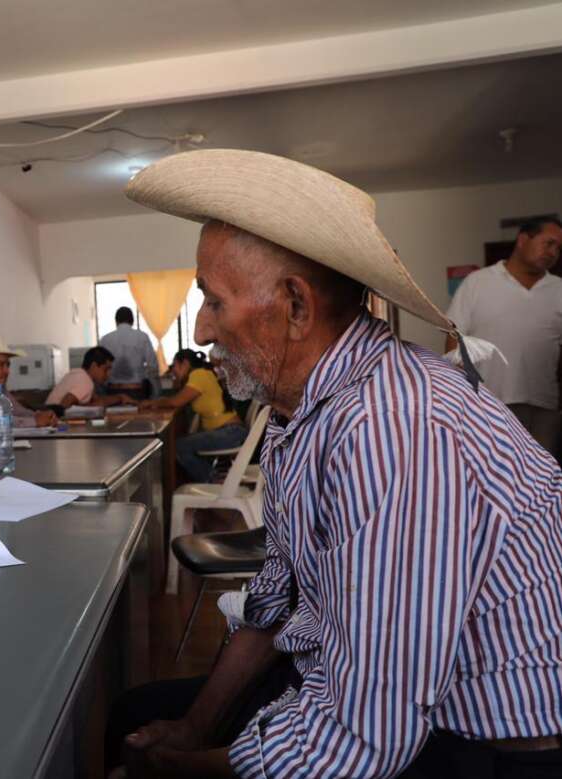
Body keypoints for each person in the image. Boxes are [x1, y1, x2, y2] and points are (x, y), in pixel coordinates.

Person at [106, 149, 562, 778]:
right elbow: (278, 600)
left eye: (213, 301)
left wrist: (182, 770)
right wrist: (194, 729)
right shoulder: (302, 409)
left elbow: (363, 737)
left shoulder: (391, 426)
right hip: (377, 698)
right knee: (134, 715)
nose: (204, 329)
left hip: (487, 743)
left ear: (295, 306)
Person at [446, 216, 562, 462]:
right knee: (493, 474)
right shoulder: (477, 283)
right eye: (549, 243)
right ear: (523, 240)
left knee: (544, 479)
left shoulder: (559, 289)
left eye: (558, 248)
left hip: (545, 407)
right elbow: (454, 337)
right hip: (488, 403)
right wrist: (460, 393)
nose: (554, 252)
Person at [140, 349, 246, 483]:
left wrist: (152, 403)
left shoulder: (198, 374)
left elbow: (176, 401)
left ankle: (212, 482)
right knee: (181, 443)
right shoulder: (202, 373)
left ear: (184, 363)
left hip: (230, 433)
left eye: (175, 367)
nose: (174, 373)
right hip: (230, 431)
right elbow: (178, 400)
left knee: (178, 446)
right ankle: (212, 479)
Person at [100, 306, 161, 400]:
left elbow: (100, 369)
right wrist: (156, 393)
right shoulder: (142, 337)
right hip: (136, 390)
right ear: (132, 321)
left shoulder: (105, 340)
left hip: (112, 392)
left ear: (116, 322)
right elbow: (152, 366)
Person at [44, 346, 131, 409]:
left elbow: (98, 400)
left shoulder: (79, 374)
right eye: (106, 369)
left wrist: (120, 397)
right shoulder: (85, 381)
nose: (108, 374)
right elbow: (63, 406)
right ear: (93, 366)